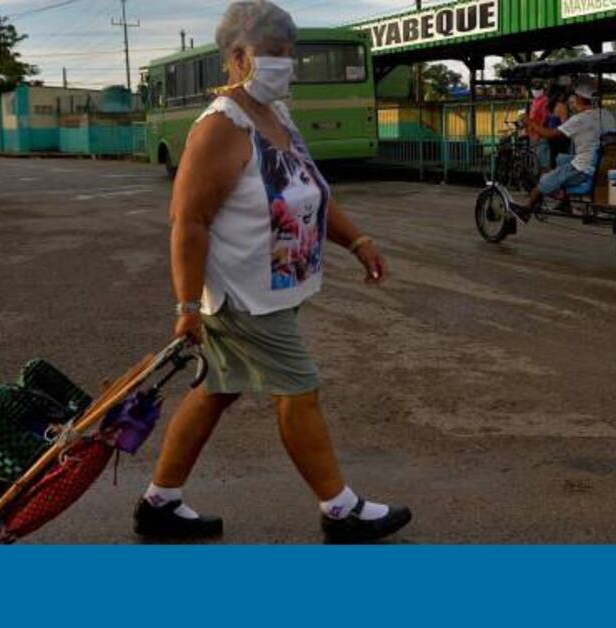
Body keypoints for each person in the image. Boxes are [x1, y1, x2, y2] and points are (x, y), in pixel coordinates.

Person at [134, 0, 412, 544]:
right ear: (237, 57)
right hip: (244, 295)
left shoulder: (276, 115)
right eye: (274, 55)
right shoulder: (220, 127)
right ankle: (341, 510)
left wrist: (358, 240)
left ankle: (159, 502)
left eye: (290, 55)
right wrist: (187, 306)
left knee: (218, 388)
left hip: (273, 286)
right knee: (298, 388)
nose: (286, 65)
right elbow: (187, 222)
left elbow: (308, 190)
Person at [523, 79, 616, 213]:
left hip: (583, 168)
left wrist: (529, 122)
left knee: (543, 181)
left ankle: (526, 209)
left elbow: (549, 134)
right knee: (561, 159)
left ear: (579, 98)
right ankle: (564, 202)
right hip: (603, 163)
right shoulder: (607, 114)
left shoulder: (579, 119)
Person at [525, 80, 551, 172]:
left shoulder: (544, 101)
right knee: (535, 163)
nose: (535, 91)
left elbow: (544, 119)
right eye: (534, 89)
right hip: (533, 135)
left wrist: (538, 134)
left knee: (543, 165)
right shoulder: (535, 101)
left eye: (538, 89)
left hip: (540, 136)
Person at [545, 83, 571, 168]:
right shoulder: (562, 106)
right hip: (560, 138)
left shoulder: (550, 106)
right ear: (559, 95)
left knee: (554, 161)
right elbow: (565, 124)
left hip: (551, 138)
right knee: (562, 163)